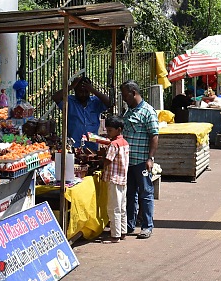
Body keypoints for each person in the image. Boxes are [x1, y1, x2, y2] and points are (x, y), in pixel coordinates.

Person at [120, 80, 159, 239]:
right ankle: (129, 224)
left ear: (133, 93)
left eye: (124, 95)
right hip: (127, 162)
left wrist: (150, 158)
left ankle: (147, 226)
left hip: (142, 161)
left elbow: (154, 136)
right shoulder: (129, 111)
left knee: (145, 193)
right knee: (130, 194)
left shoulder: (148, 111)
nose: (123, 98)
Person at [52, 75, 113, 150]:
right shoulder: (69, 101)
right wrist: (70, 87)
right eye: (80, 91)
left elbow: (109, 103)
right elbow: (55, 97)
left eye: (86, 92)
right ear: (75, 90)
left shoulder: (95, 102)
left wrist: (93, 90)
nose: (83, 94)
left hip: (92, 145)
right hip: (74, 146)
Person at [102, 115, 130, 243]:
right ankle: (122, 232)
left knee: (113, 208)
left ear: (118, 129)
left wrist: (103, 169)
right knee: (122, 207)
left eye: (110, 131)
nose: (108, 133)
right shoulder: (124, 142)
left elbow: (108, 160)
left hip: (114, 179)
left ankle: (115, 235)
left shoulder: (114, 144)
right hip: (123, 179)